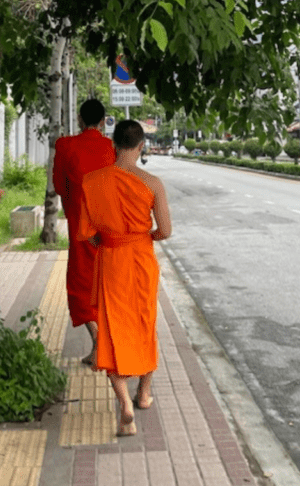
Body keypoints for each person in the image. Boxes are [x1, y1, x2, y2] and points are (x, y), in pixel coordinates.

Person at [77, 119, 173, 437]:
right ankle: (143, 395)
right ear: (141, 145)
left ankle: (124, 406)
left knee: (112, 331)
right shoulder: (153, 183)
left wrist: (111, 241)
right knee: (145, 325)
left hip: (112, 261)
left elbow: (87, 234)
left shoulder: (92, 181)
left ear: (113, 144)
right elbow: (166, 231)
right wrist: (145, 237)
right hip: (142, 260)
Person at [52, 98, 116, 365]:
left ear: (79, 119)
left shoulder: (66, 146)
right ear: (103, 121)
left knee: (81, 285)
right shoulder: (111, 148)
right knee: (107, 284)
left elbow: (58, 185)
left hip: (81, 226)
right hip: (109, 226)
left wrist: (74, 205)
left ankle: (98, 341)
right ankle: (112, 345)